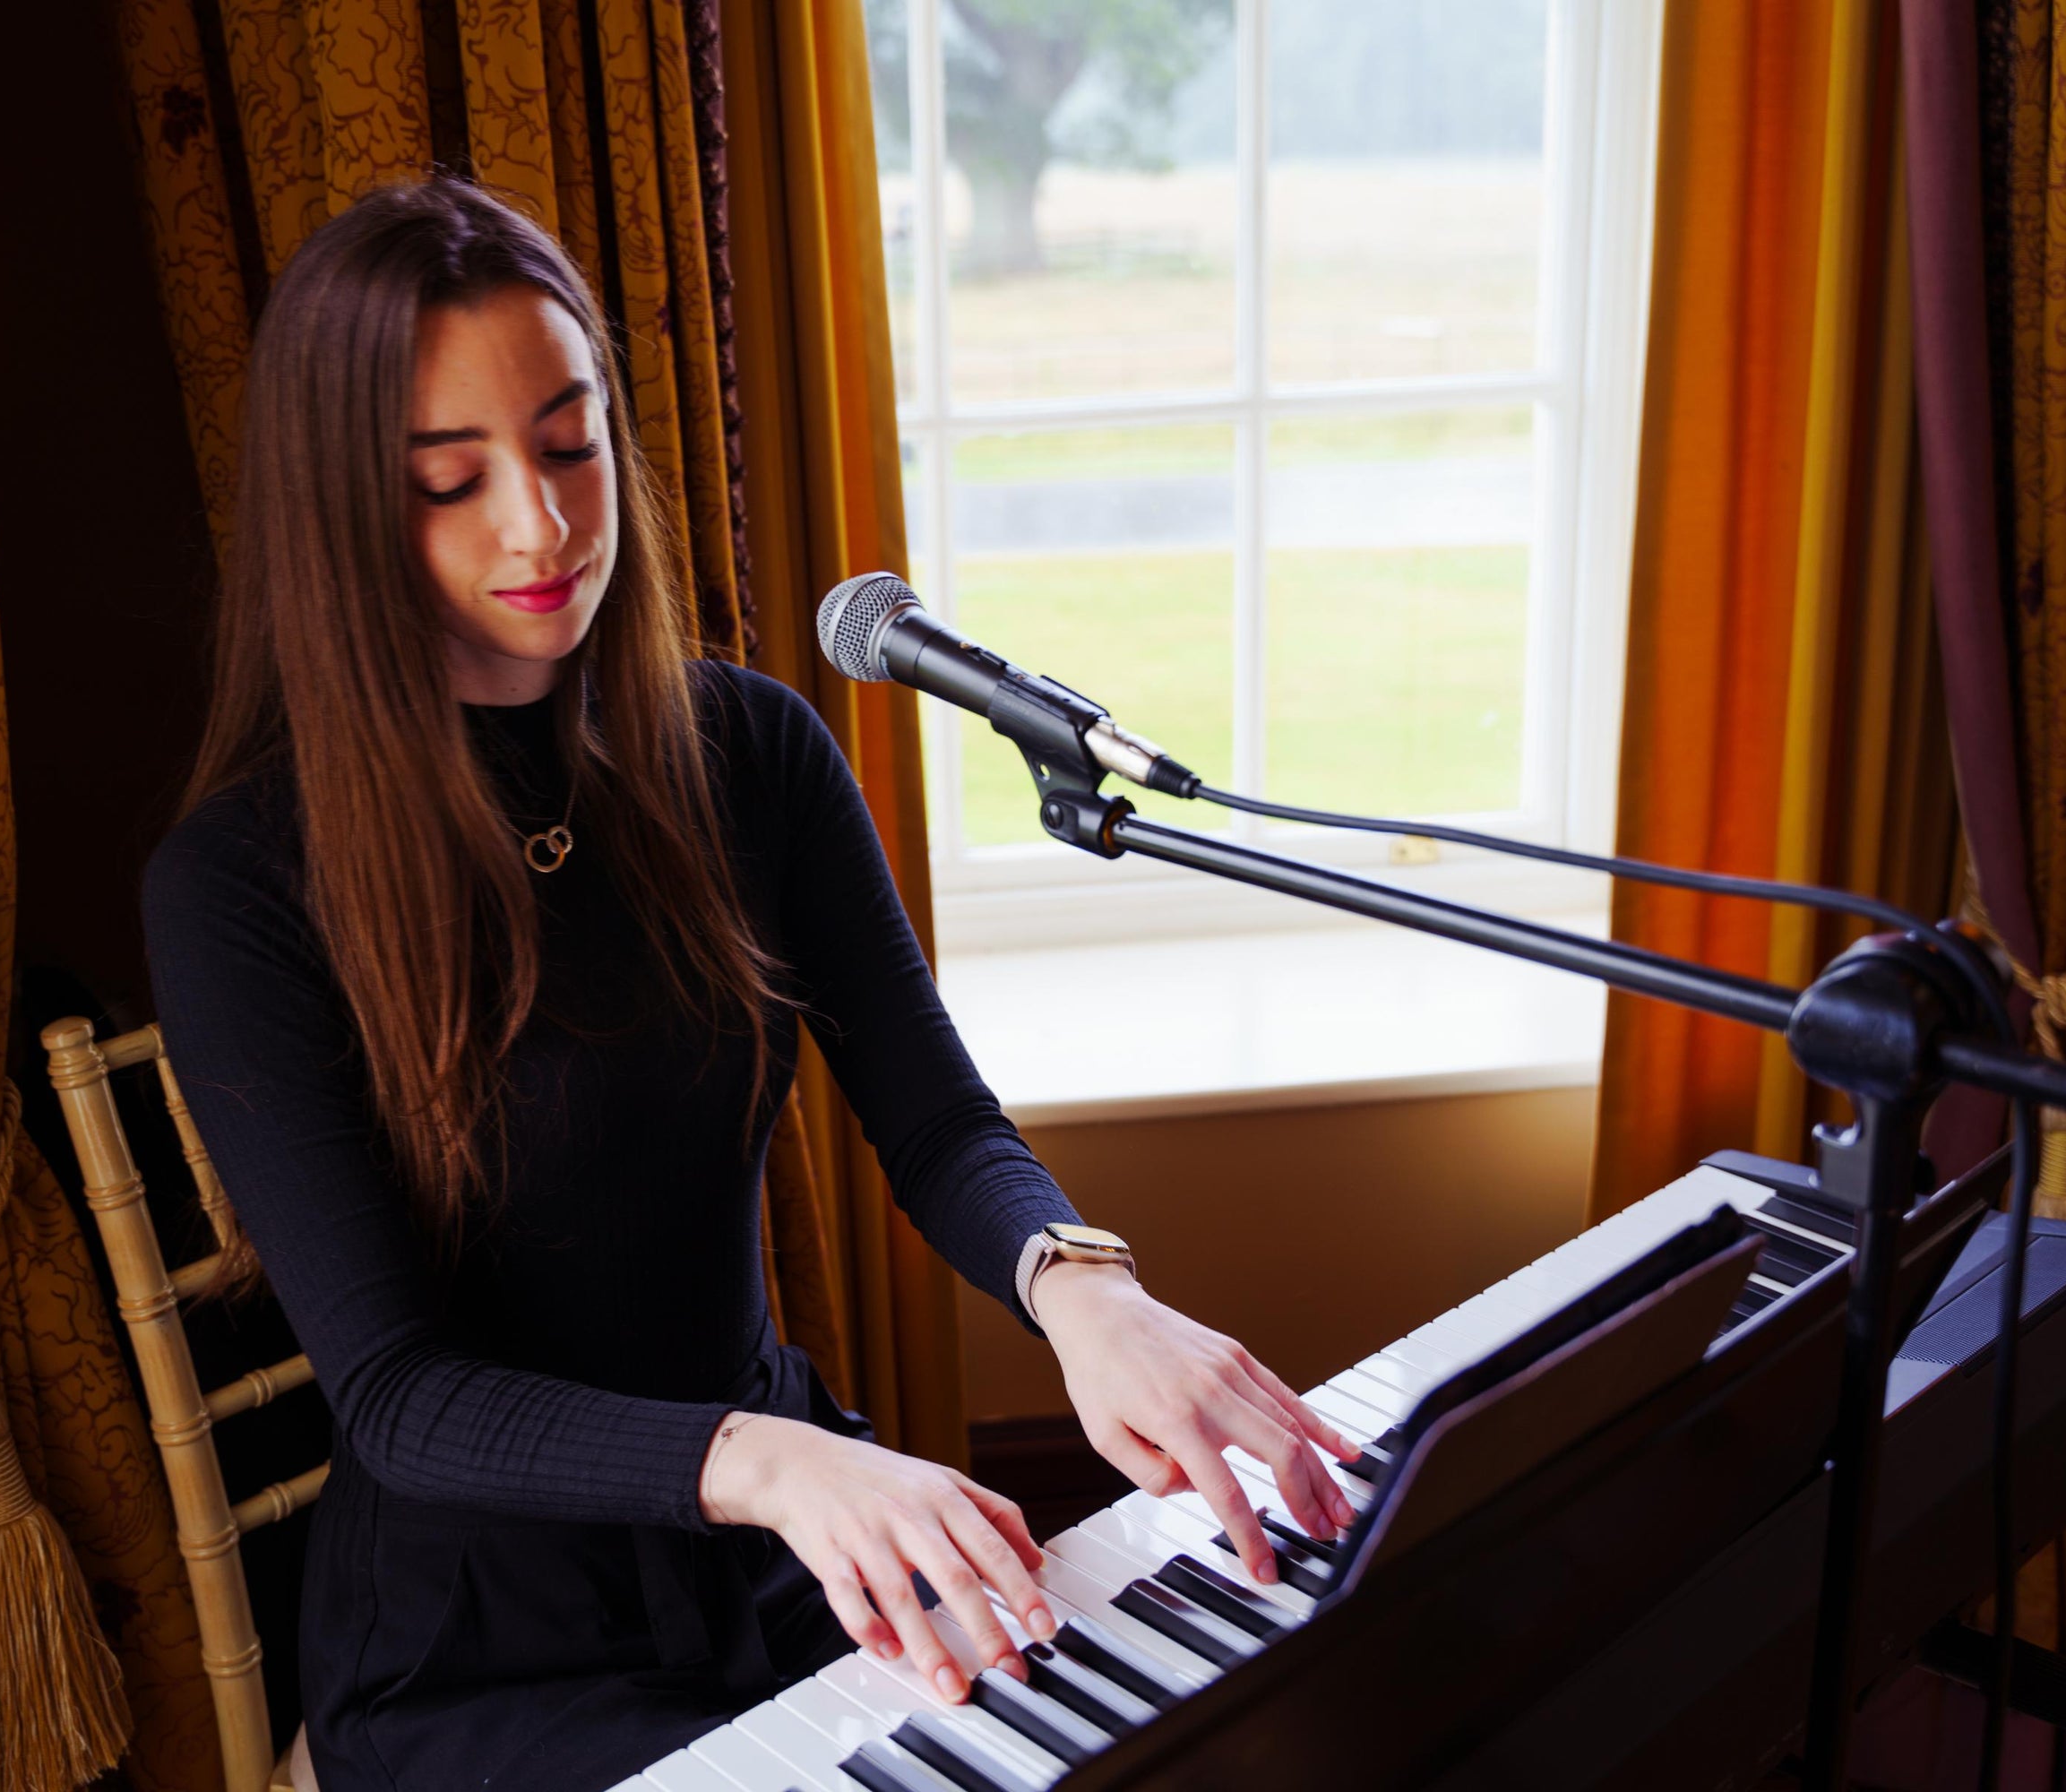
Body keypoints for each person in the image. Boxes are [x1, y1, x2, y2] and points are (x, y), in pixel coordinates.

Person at [143, 178, 1356, 1792]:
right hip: (488, 1631)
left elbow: (933, 1123)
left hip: (788, 1534)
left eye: (570, 445)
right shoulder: (240, 886)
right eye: (453, 481)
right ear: (345, 514)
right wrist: (763, 1464)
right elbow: (399, 1392)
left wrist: (1087, 1291)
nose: (543, 523)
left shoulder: (752, 752)